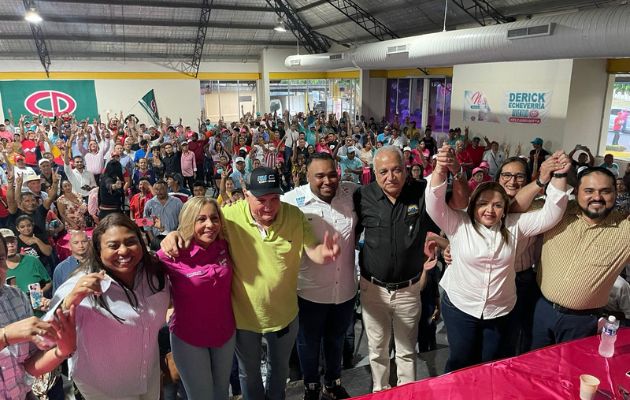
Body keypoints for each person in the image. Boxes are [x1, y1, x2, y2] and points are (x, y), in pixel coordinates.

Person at [161, 166, 341, 400]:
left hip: (284, 315)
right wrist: (172, 235)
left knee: (279, 372)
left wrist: (323, 255)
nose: (268, 207)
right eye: (261, 200)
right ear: (246, 195)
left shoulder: (294, 215)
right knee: (249, 374)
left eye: (274, 199)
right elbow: (200, 225)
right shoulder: (229, 217)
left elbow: (313, 249)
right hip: (243, 318)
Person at [426, 144, 570, 372]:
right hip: (461, 306)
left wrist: (560, 174)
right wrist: (440, 169)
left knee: (490, 363)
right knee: (460, 362)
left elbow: (552, 213)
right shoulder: (460, 223)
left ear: (505, 209)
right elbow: (434, 203)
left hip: (500, 310)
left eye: (497, 205)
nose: (490, 210)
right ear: (473, 206)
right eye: (483, 204)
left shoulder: (516, 225)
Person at [352, 146, 466, 392]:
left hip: (409, 290)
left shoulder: (422, 192)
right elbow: (351, 234)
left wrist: (455, 170)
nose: (390, 177)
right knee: (377, 350)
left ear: (406, 169)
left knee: (406, 351)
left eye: (396, 170)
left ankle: (406, 394)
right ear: (373, 173)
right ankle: (379, 392)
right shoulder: (363, 196)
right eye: (383, 172)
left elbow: (459, 201)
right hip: (373, 290)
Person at [50, 213, 169, 399]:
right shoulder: (81, 283)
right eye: (113, 245)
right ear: (98, 251)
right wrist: (70, 301)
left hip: (148, 379)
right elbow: (45, 338)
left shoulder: (154, 275)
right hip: (104, 388)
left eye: (130, 242)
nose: (123, 251)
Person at [282, 153, 357, 400]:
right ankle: (311, 386)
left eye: (332, 174)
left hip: (344, 289)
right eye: (320, 176)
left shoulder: (351, 194)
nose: (327, 181)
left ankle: (333, 383)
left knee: (336, 340)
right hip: (309, 291)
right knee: (308, 343)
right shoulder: (292, 201)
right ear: (307, 177)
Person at [531, 167, 630, 349]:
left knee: (571, 372)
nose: (597, 197)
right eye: (589, 191)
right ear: (576, 192)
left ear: (616, 193)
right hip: (541, 309)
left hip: (582, 321)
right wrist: (540, 180)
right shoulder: (557, 213)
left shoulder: (625, 230)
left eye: (605, 191)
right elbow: (514, 206)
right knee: (535, 368)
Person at [157, 197, 235, 400]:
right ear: (189, 221)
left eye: (214, 218)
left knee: (221, 394)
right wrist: (171, 235)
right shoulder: (171, 254)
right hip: (189, 339)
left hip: (225, 334)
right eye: (201, 219)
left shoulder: (225, 244)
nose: (210, 225)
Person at [0, 234, 77, 400]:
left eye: (0, 258)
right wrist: (5, 336)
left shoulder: (16, 297)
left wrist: (61, 350)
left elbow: (28, 366)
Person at [143, 180, 183, 250]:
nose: (159, 191)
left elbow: (182, 220)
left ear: (167, 189)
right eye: (156, 189)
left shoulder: (177, 202)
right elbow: (146, 224)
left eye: (161, 189)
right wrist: (152, 240)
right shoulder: (149, 204)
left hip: (174, 238)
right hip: (157, 240)